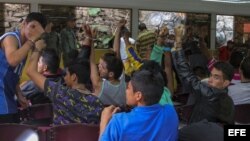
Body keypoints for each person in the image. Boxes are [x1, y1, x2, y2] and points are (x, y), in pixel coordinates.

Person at [26, 38, 104, 125]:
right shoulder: (97, 103)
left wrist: (37, 49)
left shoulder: (59, 92)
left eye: (66, 75)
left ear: (74, 77)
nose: (64, 78)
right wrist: (90, 40)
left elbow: (30, 71)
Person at [172, 25, 235, 124]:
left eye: (216, 77)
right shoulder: (228, 99)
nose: (210, 80)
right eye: (210, 75)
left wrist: (178, 42)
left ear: (226, 83)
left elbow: (187, 76)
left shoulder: (210, 94)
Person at [99, 70, 179, 141]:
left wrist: (104, 121)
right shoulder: (170, 112)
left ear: (138, 96)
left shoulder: (119, 122)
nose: (126, 91)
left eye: (128, 88)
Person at [0, 12, 47, 123]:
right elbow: (12, 60)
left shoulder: (25, 46)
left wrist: (19, 94)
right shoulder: (11, 38)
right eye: (32, 26)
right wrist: (32, 40)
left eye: (37, 30)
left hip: (7, 98)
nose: (33, 31)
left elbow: (14, 73)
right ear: (24, 24)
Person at [88, 24, 126, 106]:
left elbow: (91, 61)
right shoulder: (122, 79)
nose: (99, 66)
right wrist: (118, 28)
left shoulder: (100, 85)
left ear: (111, 74)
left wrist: (91, 39)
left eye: (102, 67)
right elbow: (116, 51)